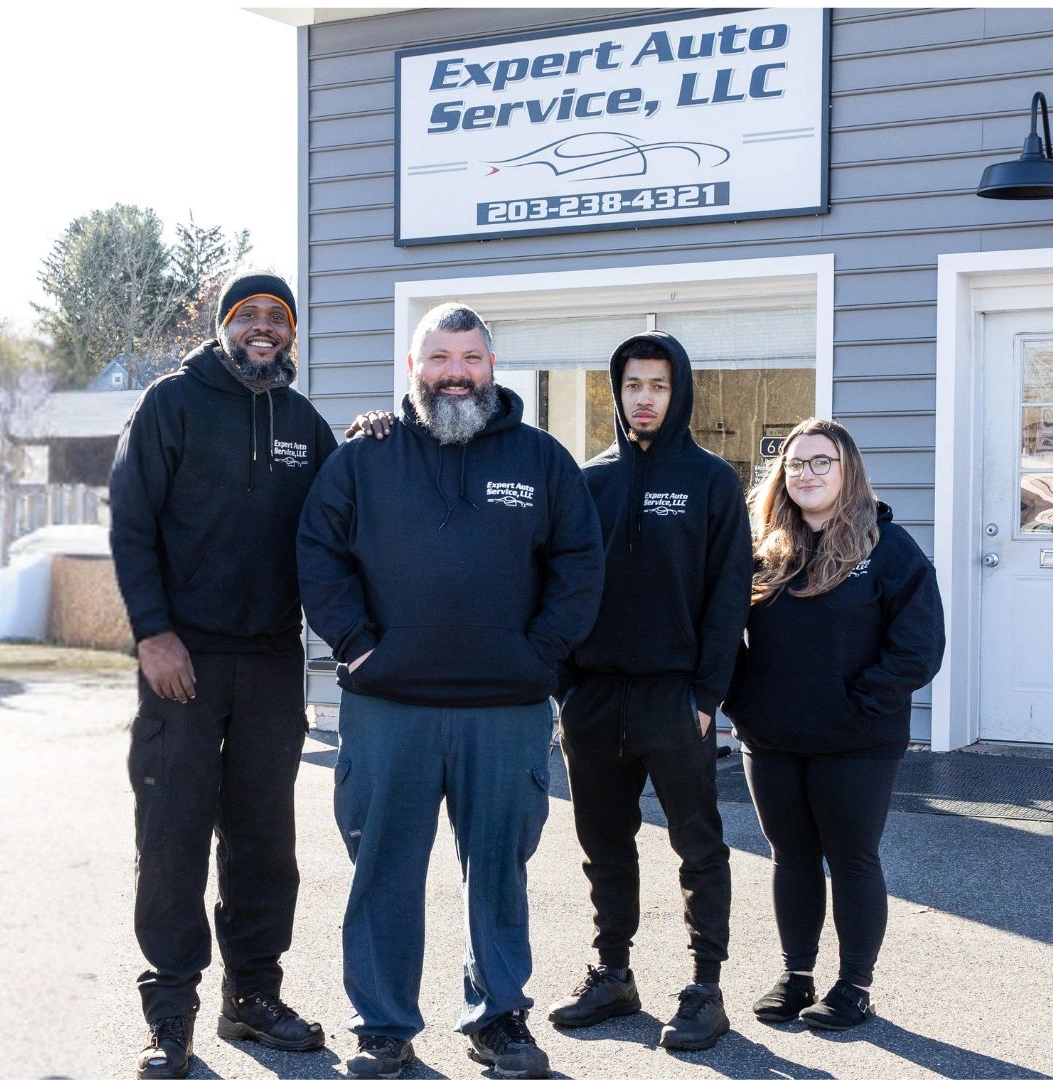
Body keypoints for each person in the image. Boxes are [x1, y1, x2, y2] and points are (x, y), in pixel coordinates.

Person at [297, 302, 605, 1080]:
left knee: (498, 871)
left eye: (469, 358)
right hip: (388, 704)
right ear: (414, 367)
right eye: (439, 358)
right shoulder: (364, 458)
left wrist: (540, 655)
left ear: (492, 365)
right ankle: (383, 1026)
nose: (455, 373)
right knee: (383, 870)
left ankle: (497, 1019)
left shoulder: (542, 460)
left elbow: (580, 564)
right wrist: (357, 647)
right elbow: (319, 553)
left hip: (504, 708)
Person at [109, 273, 337, 1080]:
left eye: (279, 317)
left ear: (292, 334)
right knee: (172, 837)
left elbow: (342, 523)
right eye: (248, 316)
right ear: (224, 328)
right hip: (183, 660)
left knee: (264, 839)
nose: (264, 328)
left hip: (272, 659)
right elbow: (130, 523)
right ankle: (170, 1013)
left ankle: (253, 996)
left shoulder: (306, 426)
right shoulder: (171, 404)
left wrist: (378, 435)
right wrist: (153, 634)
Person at [542, 331, 750, 1052]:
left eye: (658, 385)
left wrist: (706, 696)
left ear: (678, 391)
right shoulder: (588, 481)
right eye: (633, 385)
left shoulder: (711, 482)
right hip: (594, 699)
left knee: (699, 847)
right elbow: (560, 584)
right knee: (604, 846)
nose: (645, 398)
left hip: (675, 699)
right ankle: (613, 973)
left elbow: (729, 595)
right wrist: (567, 687)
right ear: (617, 391)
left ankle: (705, 988)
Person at [723, 417, 944, 1032]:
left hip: (857, 740)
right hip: (772, 738)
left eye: (822, 462)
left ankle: (854, 986)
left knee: (851, 858)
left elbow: (918, 647)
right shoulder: (762, 548)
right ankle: (796, 975)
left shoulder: (887, 548)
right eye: (796, 463)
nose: (807, 473)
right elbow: (723, 633)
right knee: (790, 856)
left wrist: (858, 705)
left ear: (849, 472)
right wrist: (741, 701)